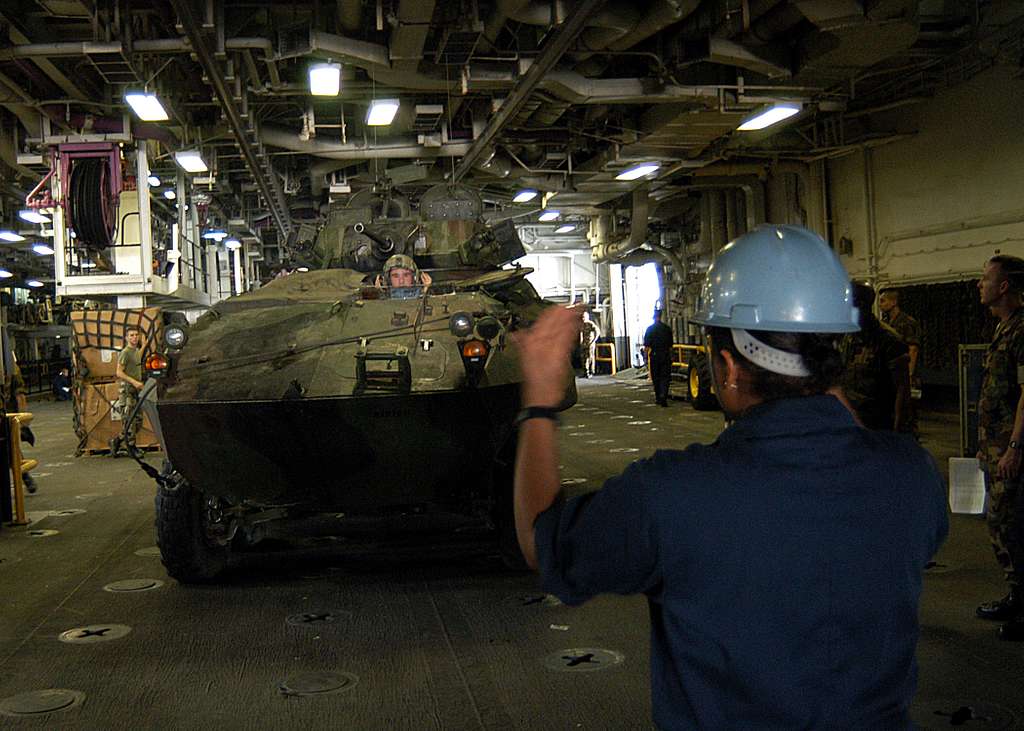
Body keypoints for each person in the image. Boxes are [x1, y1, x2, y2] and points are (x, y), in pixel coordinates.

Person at [512, 224, 948, 729]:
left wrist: (539, 403)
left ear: (727, 366)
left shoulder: (670, 493)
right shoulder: (912, 474)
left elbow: (542, 543)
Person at [974, 254, 1024, 641]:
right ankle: (1017, 597)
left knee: (1014, 526)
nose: (980, 284)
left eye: (985, 278)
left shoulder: (1022, 329)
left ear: (1004, 286)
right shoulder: (1003, 329)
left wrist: (1014, 447)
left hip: (1012, 449)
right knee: (1002, 525)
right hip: (996, 448)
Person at [837, 282, 912, 432]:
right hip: (850, 419)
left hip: (877, 422)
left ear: (862, 305)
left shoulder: (888, 340)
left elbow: (901, 390)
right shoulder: (847, 336)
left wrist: (898, 429)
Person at [115, 328, 144, 452]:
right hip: (127, 389)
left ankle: (118, 441)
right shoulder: (125, 352)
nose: (134, 337)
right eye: (131, 335)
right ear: (126, 338)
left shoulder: (135, 351)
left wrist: (146, 343)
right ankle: (131, 447)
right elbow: (118, 372)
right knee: (129, 419)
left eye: (137, 335)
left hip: (136, 389)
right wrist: (134, 382)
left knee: (138, 420)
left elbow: (138, 356)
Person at [643, 309, 673, 406]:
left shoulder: (650, 329)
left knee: (656, 377)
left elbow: (647, 346)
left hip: (655, 356)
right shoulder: (667, 329)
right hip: (665, 355)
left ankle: (658, 397)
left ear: (654, 317)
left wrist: (645, 358)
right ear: (661, 316)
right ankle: (664, 396)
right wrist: (672, 357)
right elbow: (670, 346)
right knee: (665, 377)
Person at [580, 312, 599, 377]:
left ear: (587, 317)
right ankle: (585, 372)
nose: (583, 318)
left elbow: (597, 331)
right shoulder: (582, 324)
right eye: (582, 317)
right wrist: (581, 342)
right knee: (583, 358)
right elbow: (581, 333)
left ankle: (591, 372)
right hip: (584, 344)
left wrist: (593, 341)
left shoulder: (590, 324)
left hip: (590, 344)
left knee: (590, 357)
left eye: (584, 317)